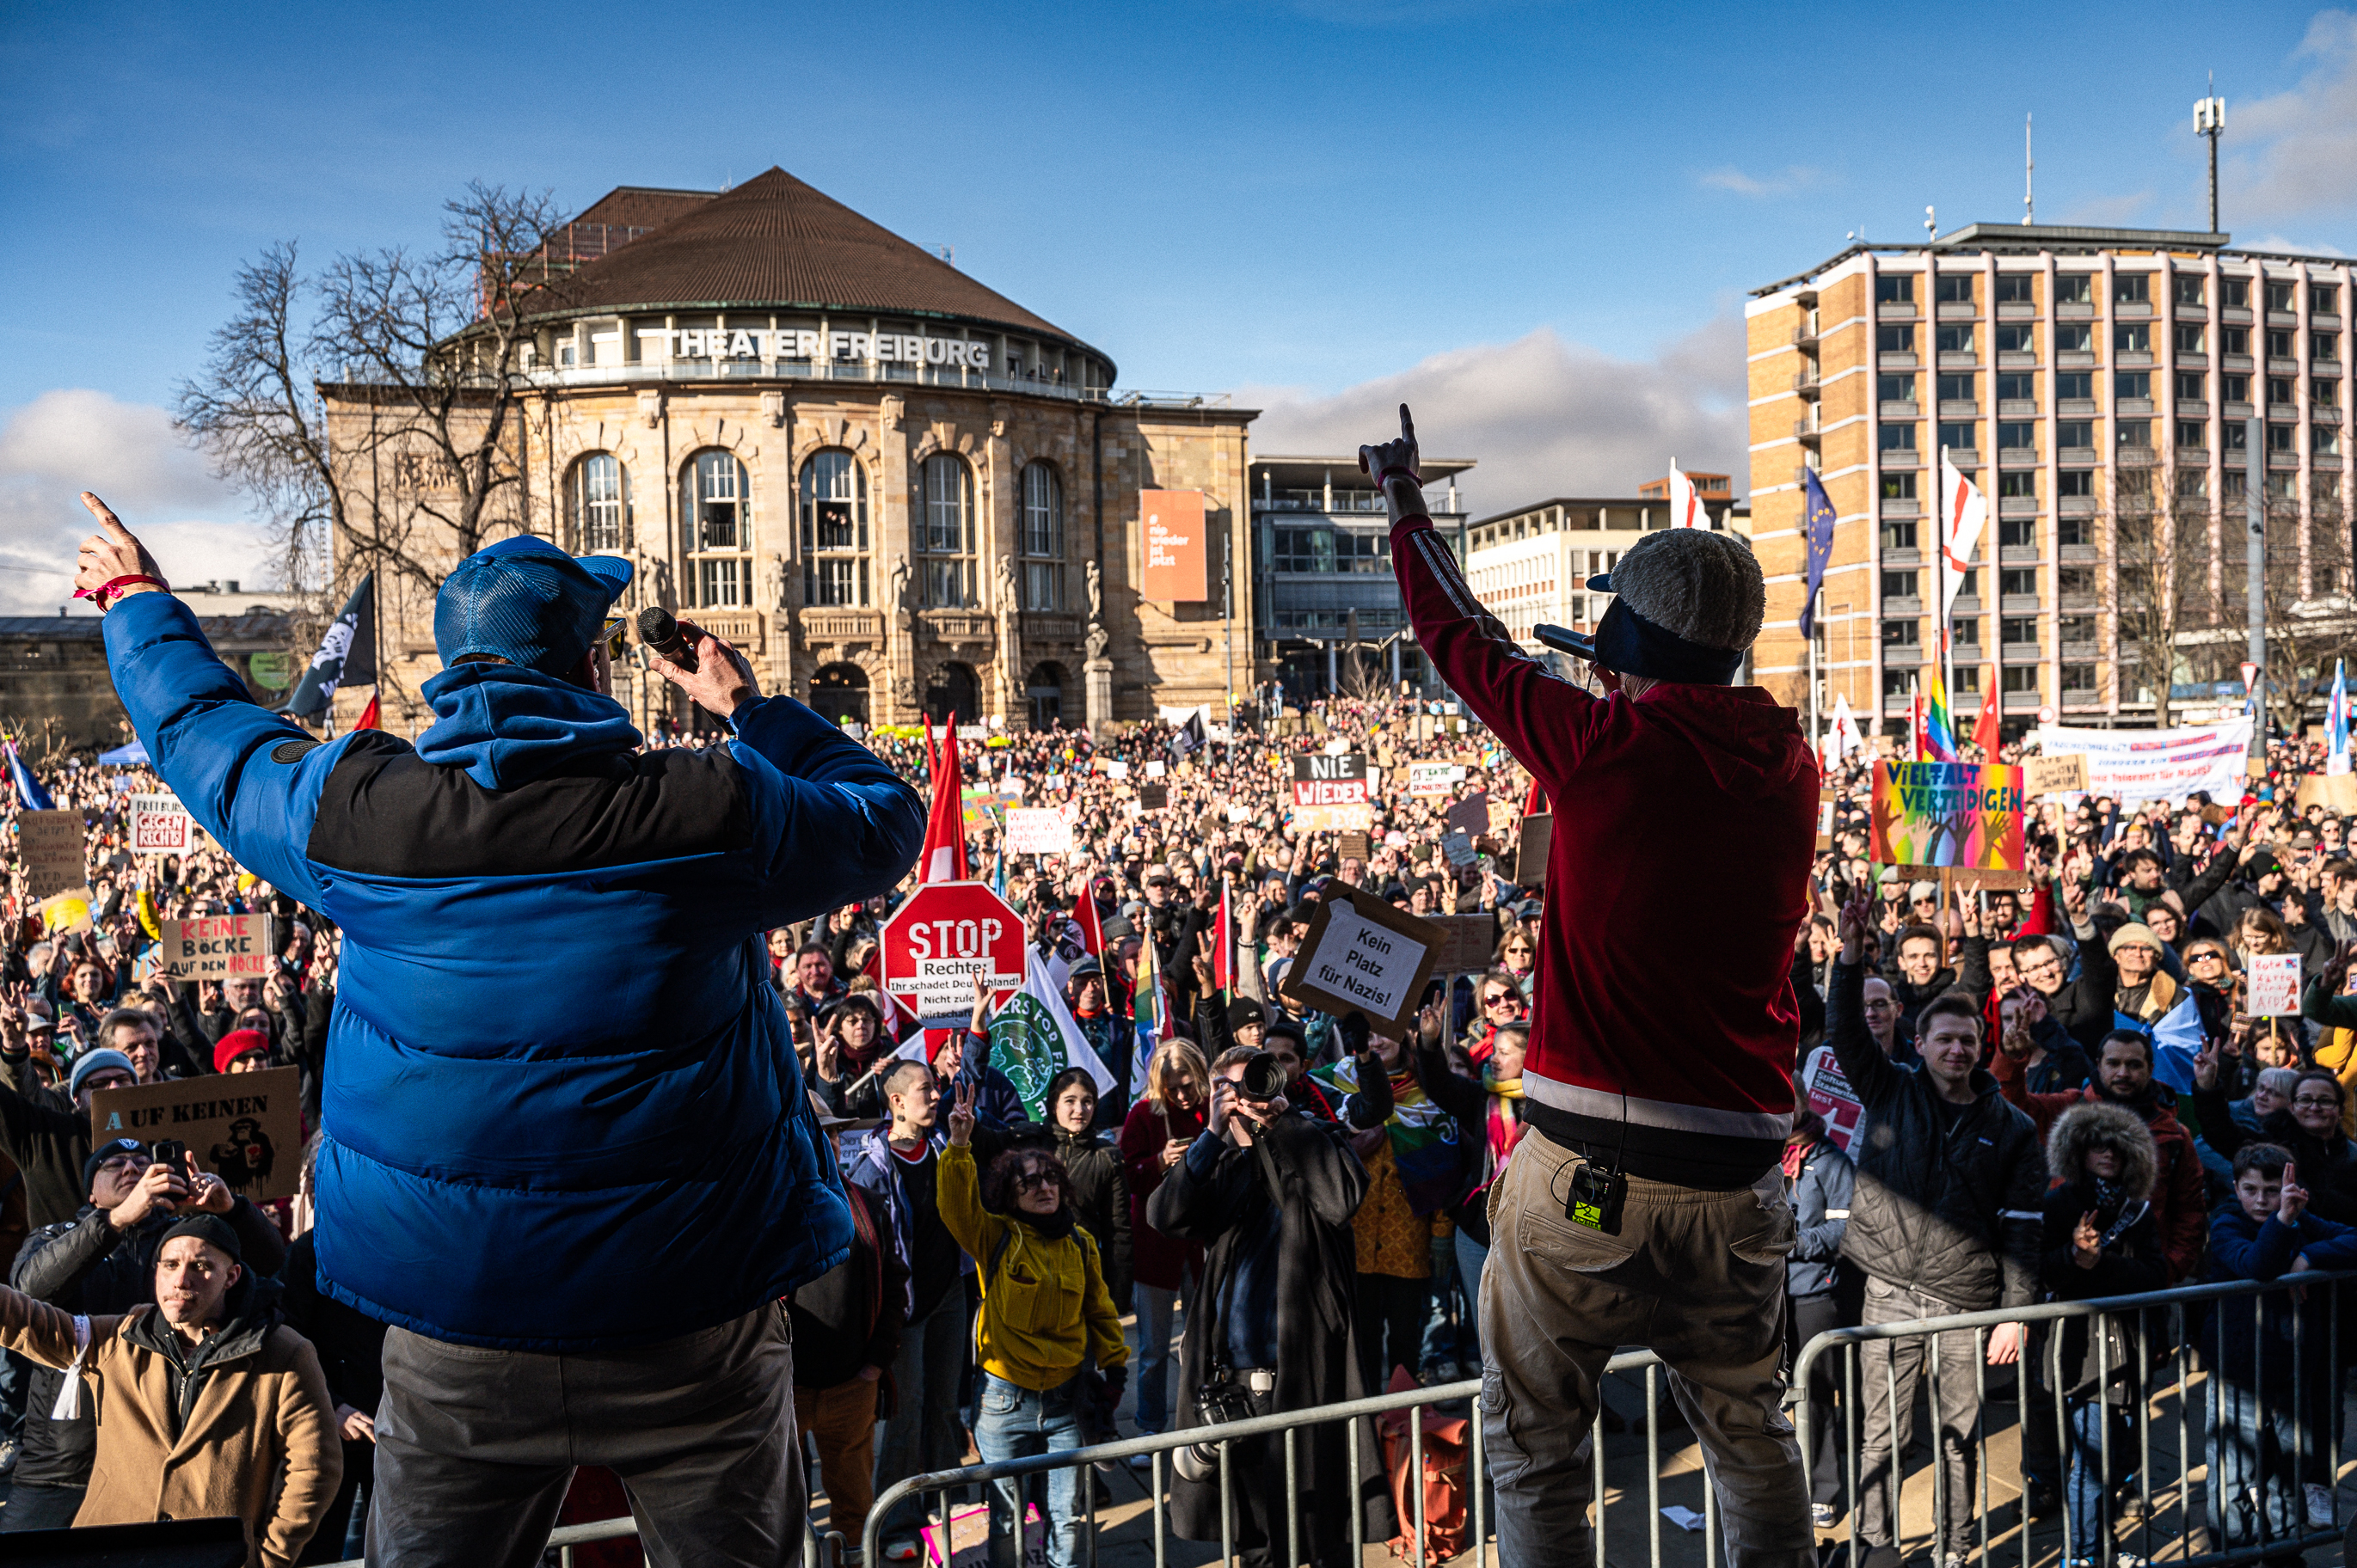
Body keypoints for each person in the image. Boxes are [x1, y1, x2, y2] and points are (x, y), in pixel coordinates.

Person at [71, 497, 924, 1566]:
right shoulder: (709, 807)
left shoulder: (359, 810)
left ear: (453, 666)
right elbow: (885, 815)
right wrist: (751, 709)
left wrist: (138, 605)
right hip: (691, 1312)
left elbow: (215, 745)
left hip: (454, 1321)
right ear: (590, 670)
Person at [1366, 407, 1818, 1565]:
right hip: (1739, 1178)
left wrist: (1408, 503)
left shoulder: (1605, 746)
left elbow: (1462, 642)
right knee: (1750, 1434)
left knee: (1533, 1441)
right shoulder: (1791, 765)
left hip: (1591, 1173)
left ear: (1624, 661)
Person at [1828, 899, 2046, 1568]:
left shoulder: (2012, 1127)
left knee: (1957, 1438)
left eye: (1967, 1041)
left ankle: (1954, 1553)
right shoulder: (1890, 1089)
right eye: (1942, 1039)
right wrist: (1849, 955)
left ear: (1980, 1048)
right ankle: (1875, 1550)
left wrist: (2013, 1315)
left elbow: (2023, 1228)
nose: (1956, 1050)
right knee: (1879, 1439)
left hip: (1964, 1303)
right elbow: (1843, 1031)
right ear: (1918, 1044)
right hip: (1888, 1295)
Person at [1146, 1044, 1390, 1566]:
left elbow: (1341, 1199)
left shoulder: (1314, 1140)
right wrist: (1213, 1135)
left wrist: (1283, 1121)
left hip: (1309, 1375)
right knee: (1255, 1541)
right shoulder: (1218, 1163)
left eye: (1258, 1082)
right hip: (1234, 1382)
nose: (1249, 1097)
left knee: (1326, 1532)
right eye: (1231, 1089)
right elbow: (1164, 1216)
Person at [0, 1212, 342, 1566]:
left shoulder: (283, 1352)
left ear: (232, 1276)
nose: (181, 1279)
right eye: (170, 1264)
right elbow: (25, 1321)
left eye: (201, 1266)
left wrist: (268, 1556)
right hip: (111, 1550)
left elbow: (316, 1467)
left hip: (213, 1556)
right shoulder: (119, 1337)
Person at [6, 1139, 291, 1534]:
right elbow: (30, 1291)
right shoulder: (56, 1234)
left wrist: (231, 1211)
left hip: (158, 1459)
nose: (131, 1170)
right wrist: (116, 1220)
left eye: (143, 1163)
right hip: (61, 1463)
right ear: (91, 1191)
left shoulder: (185, 1240)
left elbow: (274, 1267)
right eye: (114, 1165)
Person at [940, 1081, 1127, 1568]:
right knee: (1006, 1516)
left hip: (1067, 1401)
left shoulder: (1081, 1243)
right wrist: (959, 1147)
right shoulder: (996, 1237)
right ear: (1010, 1192)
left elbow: (1100, 1309)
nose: (1043, 1188)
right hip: (1004, 1402)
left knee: (1065, 1513)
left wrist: (1116, 1367)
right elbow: (956, 1207)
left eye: (1050, 1179)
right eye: (1029, 1182)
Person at [2205, 1144, 2357, 1555]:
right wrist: (2284, 1220)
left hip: (2291, 1369)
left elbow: (2351, 1237)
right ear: (2235, 1188)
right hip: (2238, 1372)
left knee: (2290, 1470)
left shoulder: (2301, 1219)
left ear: (2290, 1187)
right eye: (2250, 1189)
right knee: (2234, 1474)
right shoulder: (2226, 1223)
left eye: (2272, 1190)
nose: (2260, 1200)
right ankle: (2233, 1553)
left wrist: (2309, 1254)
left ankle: (2285, 1553)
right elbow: (2257, 1265)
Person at [2037, 1101, 2169, 1565]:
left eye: (2117, 1145)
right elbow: (2042, 1275)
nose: (2107, 1153)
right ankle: (2085, 1555)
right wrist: (2074, 1259)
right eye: (2096, 1144)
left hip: (2131, 1349)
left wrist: (2098, 1263)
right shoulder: (2059, 1203)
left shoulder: (2138, 1210)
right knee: (2092, 1464)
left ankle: (2101, 1546)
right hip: (2082, 1351)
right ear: (2078, 1150)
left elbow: (2155, 1275)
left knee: (2117, 1457)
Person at [847, 1060, 968, 1559]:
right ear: (896, 1102)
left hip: (949, 1299)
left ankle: (947, 1504)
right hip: (905, 1312)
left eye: (936, 1088)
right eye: (926, 1089)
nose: (935, 1096)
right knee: (905, 1414)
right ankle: (896, 1521)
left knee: (944, 1407)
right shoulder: (872, 1169)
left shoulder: (943, 1148)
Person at [1993, 1027, 2209, 1283]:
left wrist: (2169, 1269)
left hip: (2142, 1285)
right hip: (2070, 1278)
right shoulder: (2070, 1109)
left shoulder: (2175, 1135)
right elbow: (2011, 1108)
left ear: (2151, 1069)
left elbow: (2190, 1211)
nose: (2123, 1073)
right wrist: (2010, 1059)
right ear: (2098, 1065)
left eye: (2133, 1065)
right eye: (2114, 1063)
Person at [786, 1139, 908, 1561]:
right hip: (786, 1393)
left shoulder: (867, 1203)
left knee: (855, 1507)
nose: (826, 1140)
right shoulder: (765, 1208)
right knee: (782, 1511)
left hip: (851, 1387)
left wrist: (876, 1363)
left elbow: (895, 1285)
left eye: (833, 1132)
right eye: (812, 1129)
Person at [1115, 1038, 1209, 1457]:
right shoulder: (1144, 1114)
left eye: (1189, 1085)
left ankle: (1201, 1421)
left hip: (1202, 1246)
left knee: (1203, 1340)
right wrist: (1157, 1162)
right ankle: (1150, 1426)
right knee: (1154, 1349)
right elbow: (1126, 1175)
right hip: (1157, 1247)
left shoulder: (1212, 1111)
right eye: (1174, 1088)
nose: (1183, 1095)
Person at [1007, 1068, 1132, 1313]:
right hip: (1030, 1275)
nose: (1080, 1110)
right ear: (1054, 1104)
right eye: (1070, 1101)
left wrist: (1116, 1298)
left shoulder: (1107, 1158)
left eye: (1087, 1102)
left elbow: (1119, 1232)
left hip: (1081, 1278)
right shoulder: (1029, 1143)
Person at [1782, 1106, 1854, 1530]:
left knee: (1817, 1395)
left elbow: (1846, 1232)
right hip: (1770, 1296)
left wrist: (1790, 1240)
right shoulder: (1768, 1156)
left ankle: (1823, 1491)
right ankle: (1787, 1487)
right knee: (1776, 1397)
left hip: (1814, 1295)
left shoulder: (1833, 1161)